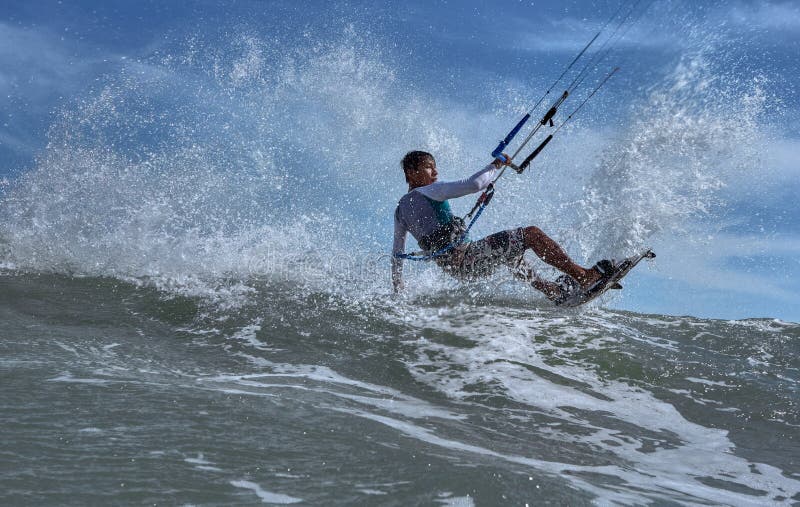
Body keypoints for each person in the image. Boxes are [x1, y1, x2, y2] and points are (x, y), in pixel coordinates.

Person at [391, 150, 614, 301]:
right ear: (412, 173)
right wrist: (495, 165)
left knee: (510, 253)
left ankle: (552, 291)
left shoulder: (400, 211)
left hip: (458, 271)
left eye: (435, 167)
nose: (436, 173)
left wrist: (398, 288)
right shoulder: (430, 190)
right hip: (469, 258)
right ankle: (583, 276)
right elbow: (475, 184)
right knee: (531, 234)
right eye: (429, 168)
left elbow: (397, 254)